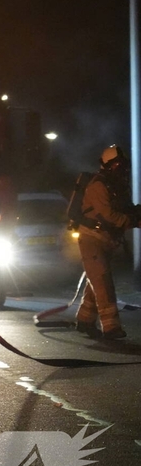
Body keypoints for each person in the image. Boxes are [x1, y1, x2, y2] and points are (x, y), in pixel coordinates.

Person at [74, 144, 141, 339]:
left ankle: (85, 320)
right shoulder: (98, 185)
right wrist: (134, 221)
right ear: (108, 165)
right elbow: (109, 216)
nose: (122, 168)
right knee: (103, 282)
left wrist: (136, 213)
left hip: (106, 241)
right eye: (118, 164)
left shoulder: (117, 186)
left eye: (123, 164)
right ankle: (111, 328)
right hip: (91, 239)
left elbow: (125, 209)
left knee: (96, 281)